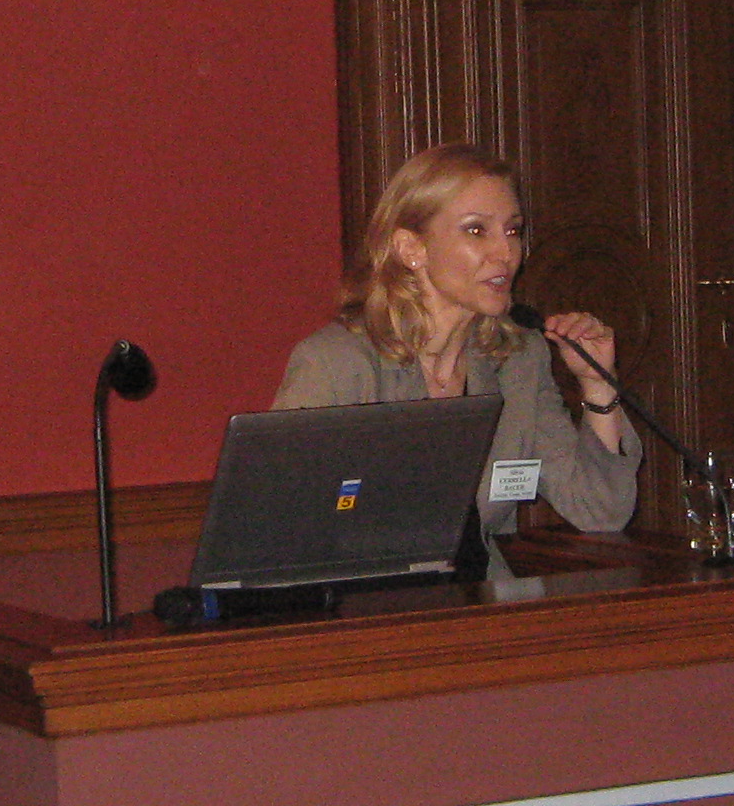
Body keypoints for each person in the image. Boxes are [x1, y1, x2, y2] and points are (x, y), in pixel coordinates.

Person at [273, 142, 639, 549]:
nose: (505, 253)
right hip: (364, 587)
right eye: (476, 230)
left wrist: (598, 385)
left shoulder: (516, 360)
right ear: (412, 249)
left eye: (513, 230)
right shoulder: (337, 364)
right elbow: (282, 526)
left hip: (482, 586)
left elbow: (600, 510)